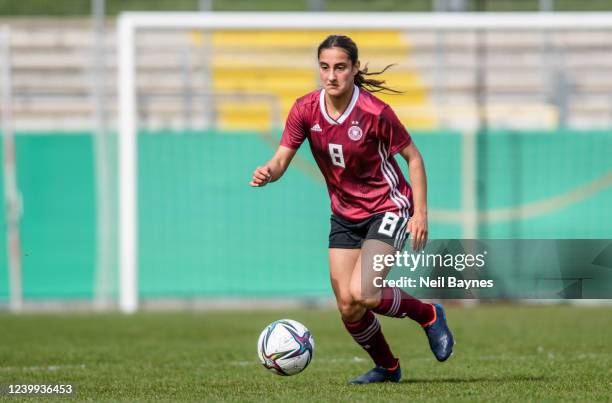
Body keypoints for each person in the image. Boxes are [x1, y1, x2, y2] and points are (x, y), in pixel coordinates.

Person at [250, 34, 454, 384]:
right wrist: (269, 171)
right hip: (345, 214)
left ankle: (429, 315)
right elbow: (282, 159)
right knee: (348, 304)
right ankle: (388, 368)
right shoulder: (305, 109)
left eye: (340, 68)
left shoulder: (375, 112)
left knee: (364, 292)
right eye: (325, 67)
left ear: (354, 69)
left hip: (388, 207)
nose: (331, 76)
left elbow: (413, 159)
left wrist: (420, 214)